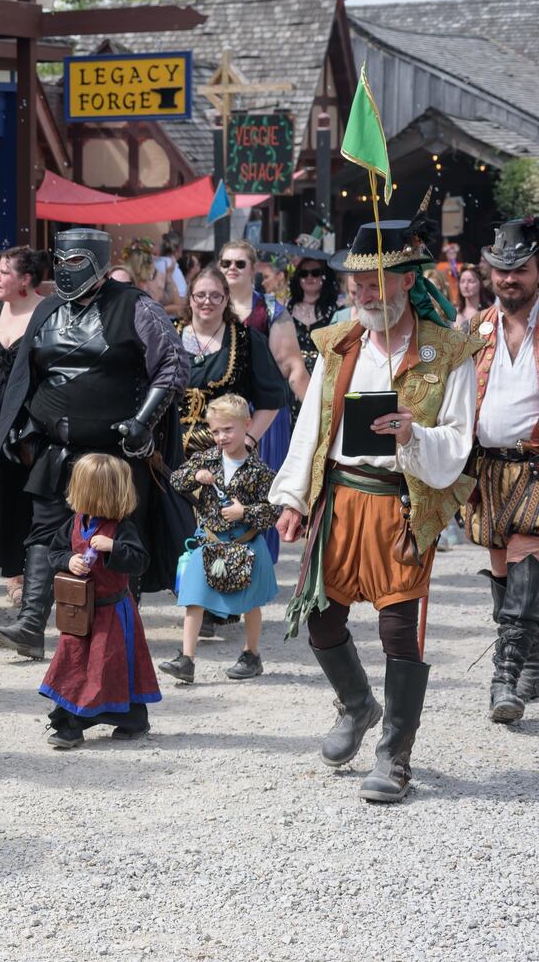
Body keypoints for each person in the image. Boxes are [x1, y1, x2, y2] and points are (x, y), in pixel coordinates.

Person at [269, 218, 476, 804]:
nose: (365, 294)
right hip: (339, 499)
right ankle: (358, 705)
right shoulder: (339, 344)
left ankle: (394, 755)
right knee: (321, 620)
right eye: (357, 284)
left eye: (377, 282)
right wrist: (292, 498)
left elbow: (460, 441)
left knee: (395, 631)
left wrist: (415, 435)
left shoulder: (448, 352)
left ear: (407, 281)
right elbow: (312, 425)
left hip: (401, 504)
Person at [0, 229, 188, 660]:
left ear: (95, 259)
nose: (65, 270)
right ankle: (31, 624)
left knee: (116, 538)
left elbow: (171, 364)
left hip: (113, 454)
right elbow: (27, 372)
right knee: (44, 532)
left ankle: (120, 637)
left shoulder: (136, 306)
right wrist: (20, 427)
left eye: (76, 261)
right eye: (60, 261)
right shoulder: (47, 310)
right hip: (52, 447)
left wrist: (142, 421)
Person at [463, 217, 539, 722]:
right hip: (488, 467)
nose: (509, 279)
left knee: (524, 552)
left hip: (536, 467)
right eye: (501, 270)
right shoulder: (474, 329)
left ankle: (505, 675)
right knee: (499, 563)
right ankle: (531, 657)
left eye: (521, 271)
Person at [38, 453, 159, 747]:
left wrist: (114, 547)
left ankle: (130, 720)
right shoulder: (75, 523)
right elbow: (54, 552)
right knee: (73, 663)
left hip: (112, 614)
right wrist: (69, 560)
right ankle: (69, 722)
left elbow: (140, 561)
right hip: (80, 614)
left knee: (111, 666)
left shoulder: (122, 527)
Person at [158, 395, 280, 684]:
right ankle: (186, 659)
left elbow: (274, 510)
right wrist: (195, 475)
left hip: (245, 544)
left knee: (251, 602)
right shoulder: (207, 459)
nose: (221, 437)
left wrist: (245, 512)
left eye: (228, 429)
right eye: (215, 431)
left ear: (246, 425)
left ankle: (251, 654)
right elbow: (177, 480)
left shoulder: (260, 471)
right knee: (193, 599)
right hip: (209, 542)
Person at [0, 247, 48, 608]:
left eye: (3, 271)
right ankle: (12, 572)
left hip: (32, 420)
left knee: (30, 497)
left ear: (26, 279)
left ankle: (34, 576)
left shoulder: (48, 313)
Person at [175, 267, 287, 456]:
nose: (207, 301)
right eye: (200, 295)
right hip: (171, 451)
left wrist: (248, 441)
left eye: (215, 296)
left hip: (226, 454)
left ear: (226, 298)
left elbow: (272, 399)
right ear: (190, 298)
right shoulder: (167, 335)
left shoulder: (247, 340)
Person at [219, 239, 306, 476]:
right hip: (219, 413)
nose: (232, 268)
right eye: (226, 263)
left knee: (262, 492)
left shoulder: (269, 310)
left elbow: (291, 366)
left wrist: (320, 416)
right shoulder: (207, 307)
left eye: (240, 263)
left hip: (263, 412)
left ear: (252, 269)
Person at [288, 254, 341, 412]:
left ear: (324, 276)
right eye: (304, 274)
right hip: (293, 377)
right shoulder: (287, 309)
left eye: (315, 273)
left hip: (323, 374)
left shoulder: (335, 309)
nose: (309, 277)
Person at [455, 267, 492, 332]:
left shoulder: (490, 312)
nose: (465, 286)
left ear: (480, 284)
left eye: (471, 281)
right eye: (462, 281)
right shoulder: (454, 312)